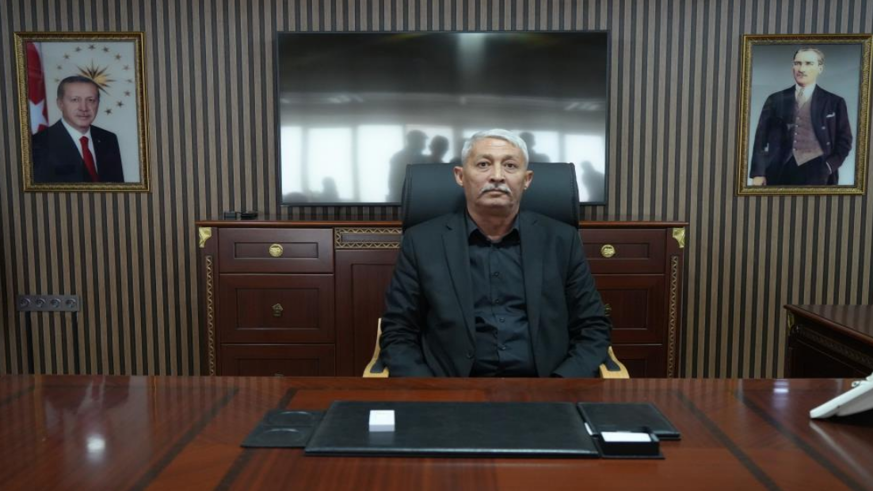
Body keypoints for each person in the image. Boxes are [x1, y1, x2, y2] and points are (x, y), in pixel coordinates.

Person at [380, 129, 611, 378]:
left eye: (510, 166)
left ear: (527, 179)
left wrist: (560, 384)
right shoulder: (422, 242)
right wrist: (430, 391)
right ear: (460, 176)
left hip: (545, 387)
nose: (497, 176)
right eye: (483, 164)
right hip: (451, 389)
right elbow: (398, 331)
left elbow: (592, 326)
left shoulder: (562, 240)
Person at [749, 48, 852, 186]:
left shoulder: (834, 102)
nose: (801, 69)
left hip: (818, 173)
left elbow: (845, 141)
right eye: (797, 63)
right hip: (778, 171)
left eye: (808, 63)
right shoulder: (775, 99)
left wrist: (828, 166)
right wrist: (758, 173)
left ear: (820, 68)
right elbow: (761, 139)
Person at [32, 75, 125, 183]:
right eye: (75, 100)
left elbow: (117, 187)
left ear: (98, 103)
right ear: (60, 104)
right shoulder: (38, 143)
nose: (84, 108)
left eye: (91, 100)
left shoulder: (108, 139)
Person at [387, 130, 427, 201]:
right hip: (401, 198)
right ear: (414, 141)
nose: (424, 144)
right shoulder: (400, 157)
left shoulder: (420, 157)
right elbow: (394, 182)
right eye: (422, 141)